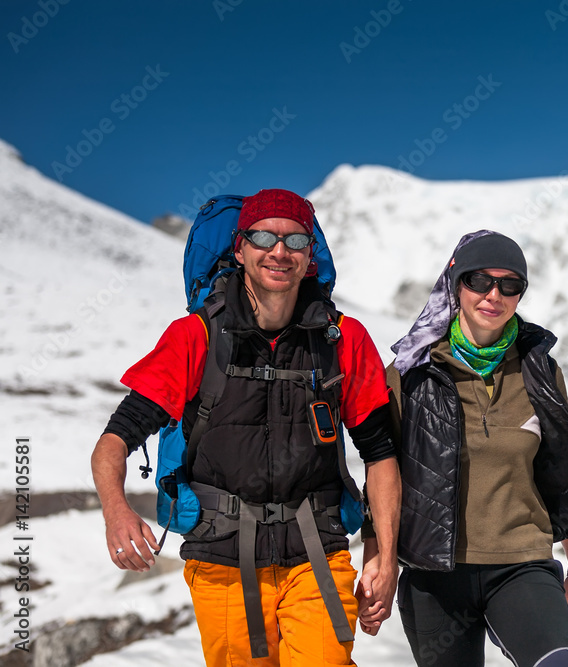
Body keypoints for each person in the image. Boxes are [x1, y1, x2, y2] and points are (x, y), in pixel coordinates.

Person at [91, 188, 401, 666]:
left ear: (309, 255)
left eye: (295, 240)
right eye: (263, 237)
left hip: (317, 549)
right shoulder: (194, 336)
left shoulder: (343, 339)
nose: (279, 251)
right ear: (240, 249)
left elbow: (380, 453)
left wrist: (383, 553)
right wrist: (116, 511)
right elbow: (116, 436)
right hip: (222, 559)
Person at [380, 230, 568, 667]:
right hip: (434, 574)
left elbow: (559, 472)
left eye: (510, 284)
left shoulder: (540, 370)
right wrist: (381, 562)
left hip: (522, 565)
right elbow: (384, 476)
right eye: (479, 280)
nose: (493, 294)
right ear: (455, 284)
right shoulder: (410, 375)